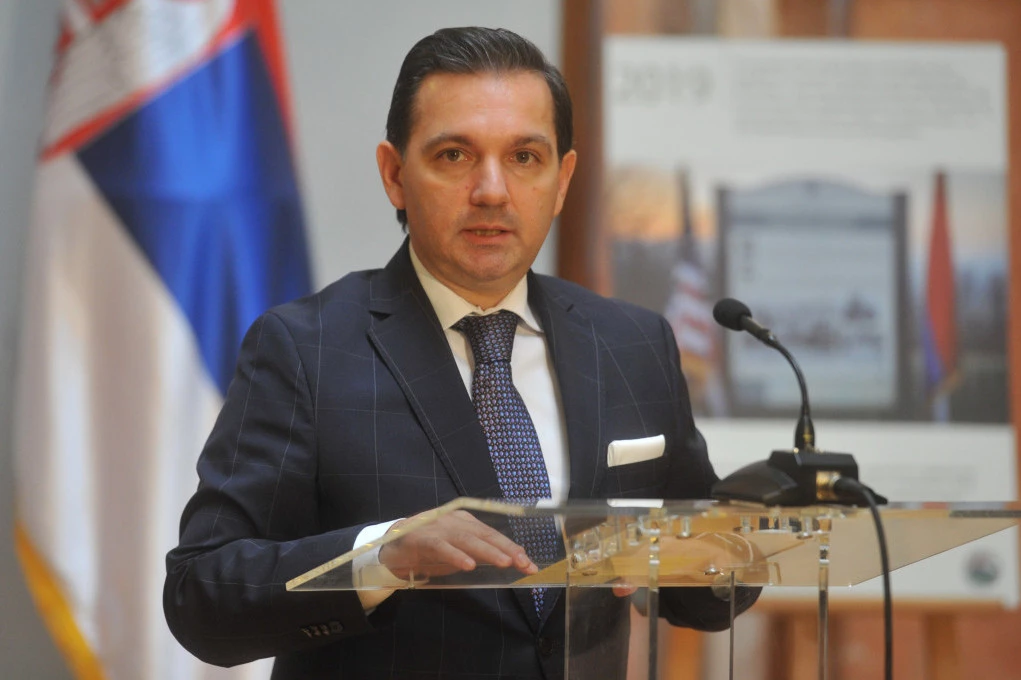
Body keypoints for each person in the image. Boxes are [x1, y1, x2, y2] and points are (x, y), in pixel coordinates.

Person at [164, 26, 758, 680]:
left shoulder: (632, 344)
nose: (492, 190)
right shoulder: (307, 349)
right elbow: (202, 595)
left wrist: (732, 542)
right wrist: (381, 557)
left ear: (562, 180)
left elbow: (707, 588)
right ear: (395, 174)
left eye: (524, 157)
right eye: (454, 155)